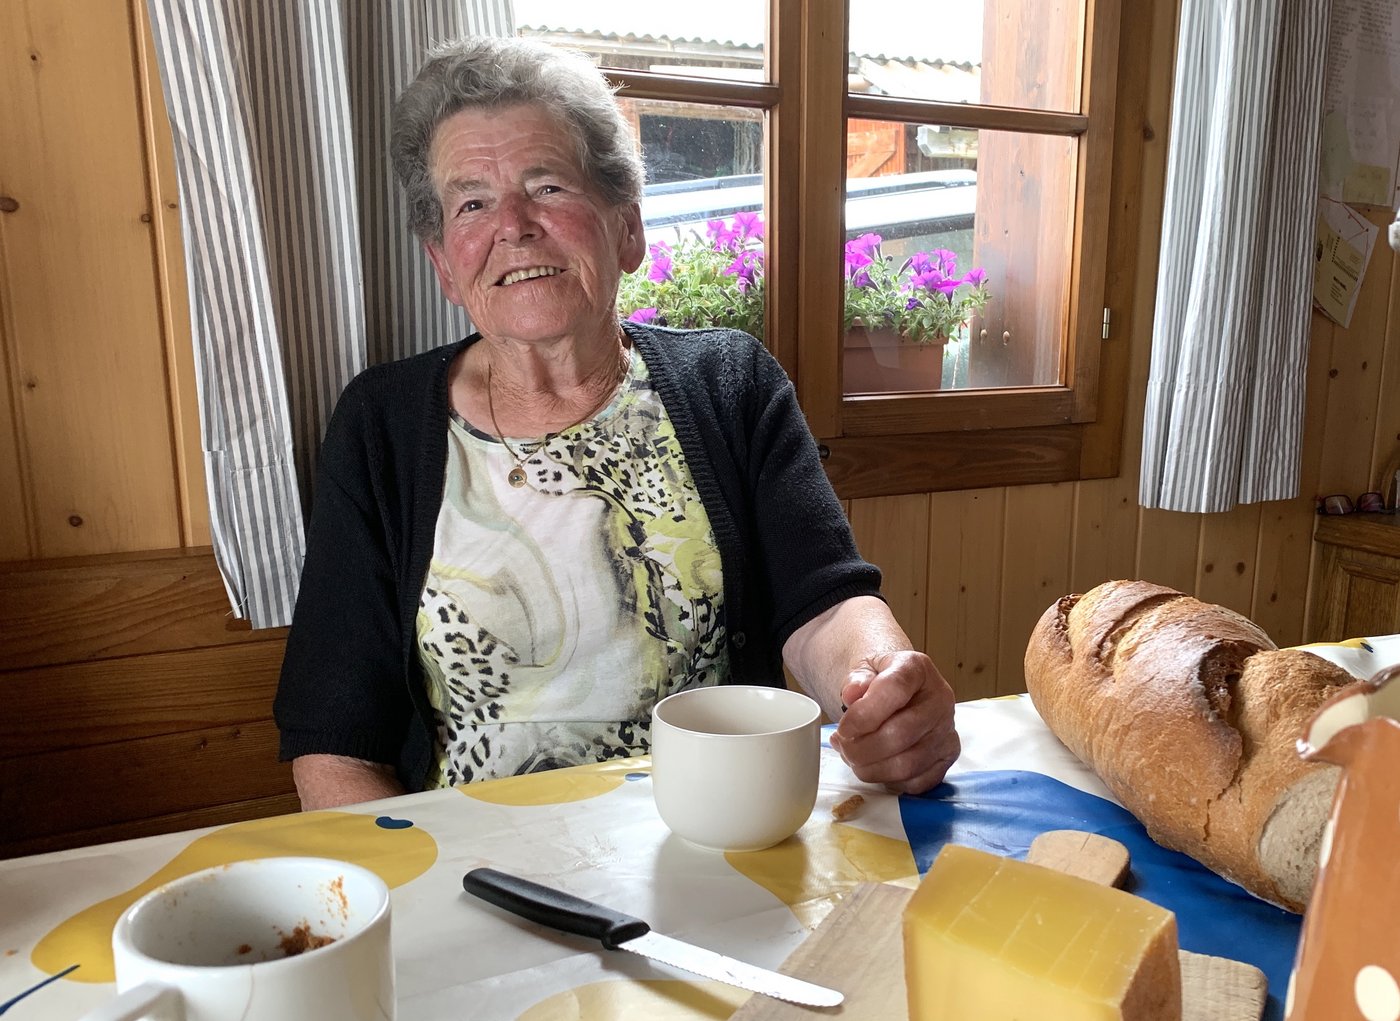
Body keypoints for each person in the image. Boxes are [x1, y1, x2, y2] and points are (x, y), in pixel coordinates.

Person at [273, 35, 960, 811]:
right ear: (443, 263)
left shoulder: (730, 384)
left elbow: (826, 605)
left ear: (626, 227)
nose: (515, 225)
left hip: (713, 835)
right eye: (472, 202)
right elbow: (333, 743)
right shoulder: (381, 426)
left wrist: (884, 686)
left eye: (549, 186)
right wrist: (421, 902)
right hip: (475, 875)